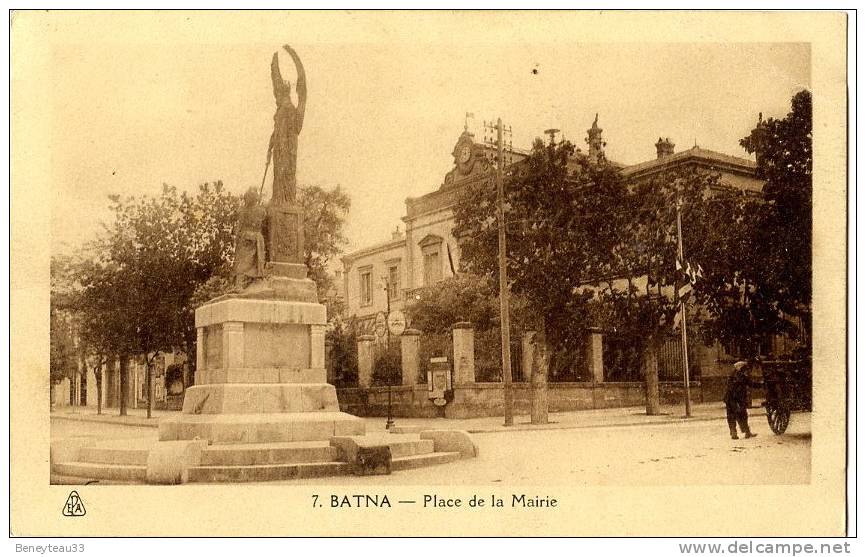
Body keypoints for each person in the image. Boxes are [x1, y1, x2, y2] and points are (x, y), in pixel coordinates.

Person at [724, 360, 760, 440]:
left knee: (735, 416)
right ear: (741, 369)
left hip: (732, 399)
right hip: (734, 399)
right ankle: (740, 432)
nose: (746, 371)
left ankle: (739, 432)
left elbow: (751, 383)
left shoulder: (734, 375)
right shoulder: (739, 376)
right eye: (745, 369)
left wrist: (761, 385)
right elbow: (750, 384)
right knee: (738, 415)